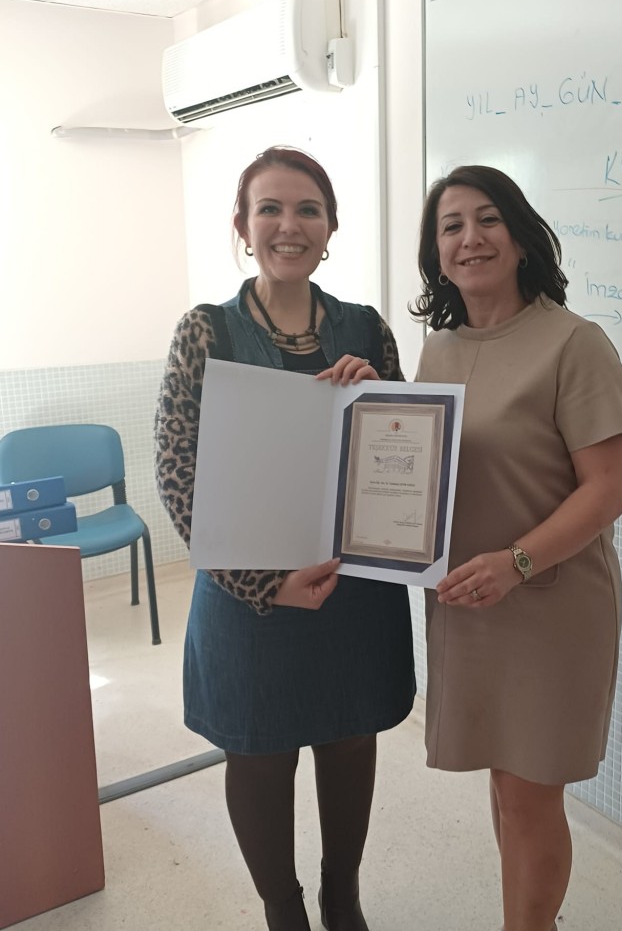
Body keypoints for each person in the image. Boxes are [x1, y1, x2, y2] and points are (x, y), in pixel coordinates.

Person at [154, 146, 415, 931]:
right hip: (248, 597)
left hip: (350, 585)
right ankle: (284, 910)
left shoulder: (365, 327)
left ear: (331, 226)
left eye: (307, 209)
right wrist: (266, 585)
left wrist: (382, 397)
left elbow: (408, 454)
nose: (288, 225)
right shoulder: (207, 330)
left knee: (349, 740)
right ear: (242, 225)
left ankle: (342, 896)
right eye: (269, 208)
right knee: (258, 752)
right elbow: (177, 471)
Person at [410, 164, 622, 931]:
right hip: (469, 603)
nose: (470, 238)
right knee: (505, 785)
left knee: (531, 792)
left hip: (548, 602)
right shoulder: (438, 351)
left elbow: (607, 488)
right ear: (436, 253)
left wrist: (519, 562)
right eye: (451, 226)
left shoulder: (575, 343)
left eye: (488, 219)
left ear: (522, 238)